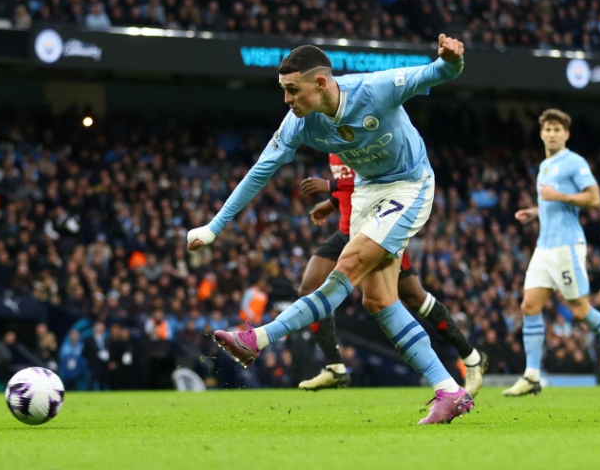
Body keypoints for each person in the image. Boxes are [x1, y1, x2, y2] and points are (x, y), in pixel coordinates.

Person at [187, 35, 474, 424]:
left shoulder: (376, 89)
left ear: (320, 83)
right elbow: (260, 172)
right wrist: (214, 226)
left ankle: (259, 337)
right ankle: (449, 390)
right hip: (366, 191)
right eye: (284, 90)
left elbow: (438, 73)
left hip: (409, 185)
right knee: (378, 300)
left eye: (293, 90)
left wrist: (452, 59)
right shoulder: (299, 123)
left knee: (348, 264)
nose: (286, 99)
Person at [295, 153, 488, 395]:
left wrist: (330, 185)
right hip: (347, 232)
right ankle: (334, 367)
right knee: (309, 287)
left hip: (377, 233)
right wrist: (333, 202)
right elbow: (353, 189)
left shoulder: (360, 139)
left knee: (415, 298)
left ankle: (471, 357)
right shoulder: (333, 148)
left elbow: (378, 179)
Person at [504, 109, 600, 396]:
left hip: (566, 246)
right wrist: (535, 211)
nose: (552, 134)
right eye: (548, 129)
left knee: (581, 310)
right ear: (541, 133)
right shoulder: (544, 165)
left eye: (557, 129)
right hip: (544, 246)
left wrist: (559, 196)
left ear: (566, 134)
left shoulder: (574, 162)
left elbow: (594, 198)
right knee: (529, 306)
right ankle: (531, 376)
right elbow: (552, 204)